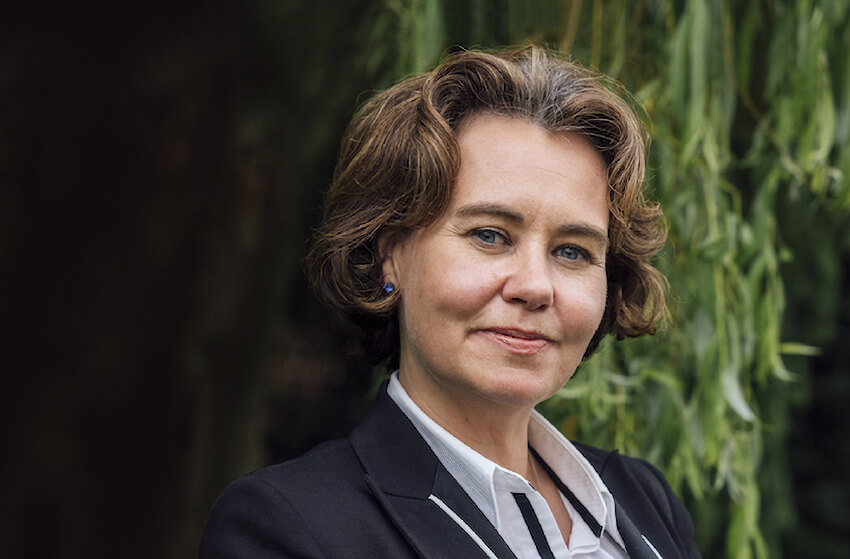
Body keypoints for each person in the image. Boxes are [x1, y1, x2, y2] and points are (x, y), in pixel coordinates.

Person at [200, 46, 700, 559]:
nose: (534, 285)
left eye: (572, 251)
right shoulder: (292, 526)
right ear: (389, 253)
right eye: (489, 235)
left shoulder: (644, 502)